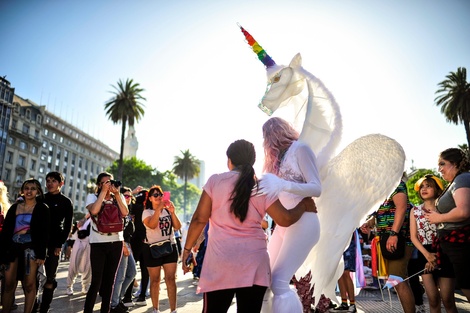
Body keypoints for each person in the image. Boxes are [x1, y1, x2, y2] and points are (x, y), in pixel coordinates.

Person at [181, 139, 317, 313]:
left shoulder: (215, 182)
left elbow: (200, 219)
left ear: (229, 161)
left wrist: (186, 251)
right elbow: (285, 218)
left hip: (221, 264)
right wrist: (304, 205)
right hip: (255, 265)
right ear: (252, 161)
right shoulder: (261, 187)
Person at [261, 117, 322, 312]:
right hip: (283, 223)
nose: (266, 141)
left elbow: (316, 188)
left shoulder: (301, 149)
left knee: (279, 281)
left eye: (268, 136)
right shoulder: (274, 160)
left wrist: (284, 185)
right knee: (265, 278)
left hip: (305, 222)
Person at [361, 174, 415, 313]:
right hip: (388, 238)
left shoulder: (396, 184)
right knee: (399, 280)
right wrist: (369, 223)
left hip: (399, 239)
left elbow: (401, 208)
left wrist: (394, 234)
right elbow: (381, 213)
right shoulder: (384, 188)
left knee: (397, 279)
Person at [426, 148, 470, 302]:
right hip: (449, 245)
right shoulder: (455, 181)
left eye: (442, 164)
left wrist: (439, 218)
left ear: (455, 164)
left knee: (466, 285)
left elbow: (464, 211)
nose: (440, 169)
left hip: (460, 245)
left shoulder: (462, 179)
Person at [0, 178, 50, 313]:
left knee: (29, 285)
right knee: (9, 284)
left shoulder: (42, 208)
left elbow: (44, 233)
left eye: (33, 189)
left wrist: (41, 254)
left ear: (38, 191)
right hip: (12, 248)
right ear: (22, 191)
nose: (29, 191)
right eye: (27, 188)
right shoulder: (14, 207)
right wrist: (3, 253)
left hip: (31, 249)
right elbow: (5, 232)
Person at [410, 174, 458, 313]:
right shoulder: (415, 210)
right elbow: (414, 237)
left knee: (448, 299)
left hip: (444, 252)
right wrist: (427, 256)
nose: (424, 189)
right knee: (433, 299)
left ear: (437, 189)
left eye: (429, 186)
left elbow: (449, 233)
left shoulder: (445, 209)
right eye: (422, 187)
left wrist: (436, 255)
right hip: (424, 253)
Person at [83, 172, 129, 313]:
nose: (109, 185)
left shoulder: (118, 196)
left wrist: (116, 194)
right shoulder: (93, 197)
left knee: (110, 281)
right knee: (96, 281)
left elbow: (125, 213)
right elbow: (94, 211)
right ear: (99, 185)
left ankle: (105, 310)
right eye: (105, 182)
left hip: (116, 242)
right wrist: (103, 193)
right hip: (98, 242)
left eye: (110, 182)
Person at [36, 171, 74, 313]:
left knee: (50, 278)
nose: (50, 183)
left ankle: (45, 308)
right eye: (48, 181)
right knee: (33, 278)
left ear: (60, 184)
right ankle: (33, 304)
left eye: (53, 181)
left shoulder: (66, 202)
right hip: (37, 243)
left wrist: (59, 244)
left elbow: (68, 225)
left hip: (54, 245)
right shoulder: (40, 199)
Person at [142, 185, 182, 313]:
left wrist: (172, 212)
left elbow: (177, 227)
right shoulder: (146, 212)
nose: (159, 197)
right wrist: (159, 209)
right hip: (152, 249)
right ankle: (155, 309)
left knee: (170, 279)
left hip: (169, 246)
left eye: (160, 195)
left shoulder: (167, 210)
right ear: (150, 199)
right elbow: (152, 225)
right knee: (155, 280)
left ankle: (173, 310)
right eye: (155, 195)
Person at [110, 187, 137, 313]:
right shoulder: (117, 209)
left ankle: (118, 300)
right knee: (120, 276)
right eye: (125, 196)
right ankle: (114, 305)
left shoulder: (127, 212)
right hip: (119, 244)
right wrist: (124, 245)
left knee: (132, 273)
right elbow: (115, 230)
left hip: (127, 245)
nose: (128, 198)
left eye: (130, 196)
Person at [124, 188, 149, 307]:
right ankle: (142, 296)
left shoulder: (134, 207)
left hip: (134, 241)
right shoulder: (151, 209)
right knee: (145, 270)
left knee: (131, 270)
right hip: (147, 241)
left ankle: (128, 297)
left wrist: (132, 194)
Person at [331, 232, 357, 313]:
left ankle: (352, 304)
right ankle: (344, 302)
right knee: (339, 273)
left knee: (346, 273)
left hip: (347, 242)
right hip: (336, 243)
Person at [66, 214, 92, 296]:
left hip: (91, 242)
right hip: (80, 240)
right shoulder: (88, 217)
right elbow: (79, 225)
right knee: (74, 263)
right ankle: (69, 286)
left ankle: (85, 285)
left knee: (88, 266)